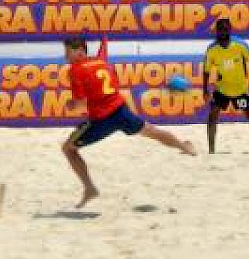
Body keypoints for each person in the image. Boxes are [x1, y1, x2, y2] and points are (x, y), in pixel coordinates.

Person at [62, 35, 196, 208]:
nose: (66, 56)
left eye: (68, 52)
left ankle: (89, 188)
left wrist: (70, 104)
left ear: (80, 51)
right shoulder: (101, 62)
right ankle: (184, 146)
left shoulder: (75, 70)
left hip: (102, 119)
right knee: (152, 132)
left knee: (68, 149)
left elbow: (80, 105)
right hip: (121, 111)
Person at [203, 19, 249, 154]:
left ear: (229, 30)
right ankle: (211, 150)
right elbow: (206, 71)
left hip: (241, 89)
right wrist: (205, 89)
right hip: (222, 89)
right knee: (212, 116)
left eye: (225, 29)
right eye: (220, 30)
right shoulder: (212, 49)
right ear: (216, 31)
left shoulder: (240, 45)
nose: (222, 32)